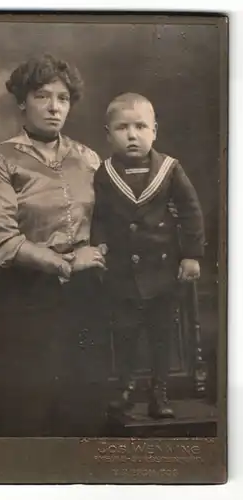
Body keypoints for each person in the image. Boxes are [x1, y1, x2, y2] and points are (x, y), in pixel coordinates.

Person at [0, 54, 110, 437]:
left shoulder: (88, 159)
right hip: (24, 300)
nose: (54, 107)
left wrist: (98, 255)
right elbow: (1, 241)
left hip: (84, 300)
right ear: (22, 101)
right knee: (26, 412)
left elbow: (110, 224)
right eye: (42, 96)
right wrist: (67, 264)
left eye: (62, 98)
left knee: (79, 408)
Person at [91, 93, 205, 419]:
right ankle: (125, 387)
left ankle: (160, 392)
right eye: (122, 127)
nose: (132, 134)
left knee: (160, 335)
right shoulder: (104, 173)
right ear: (108, 134)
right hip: (122, 273)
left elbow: (191, 212)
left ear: (154, 130)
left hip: (163, 271)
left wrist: (192, 256)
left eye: (140, 126)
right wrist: (98, 244)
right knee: (124, 333)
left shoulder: (170, 169)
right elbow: (98, 216)